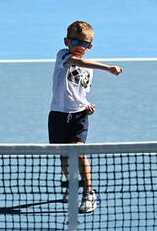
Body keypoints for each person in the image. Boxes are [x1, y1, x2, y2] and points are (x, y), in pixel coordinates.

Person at [48, 20, 123, 213]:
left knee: (79, 153)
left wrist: (86, 104)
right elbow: (78, 62)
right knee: (64, 157)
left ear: (90, 46)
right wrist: (108, 68)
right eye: (75, 42)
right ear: (66, 41)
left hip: (79, 116)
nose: (79, 47)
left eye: (84, 44)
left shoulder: (89, 69)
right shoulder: (63, 55)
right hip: (58, 115)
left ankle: (89, 193)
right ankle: (72, 184)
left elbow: (80, 91)